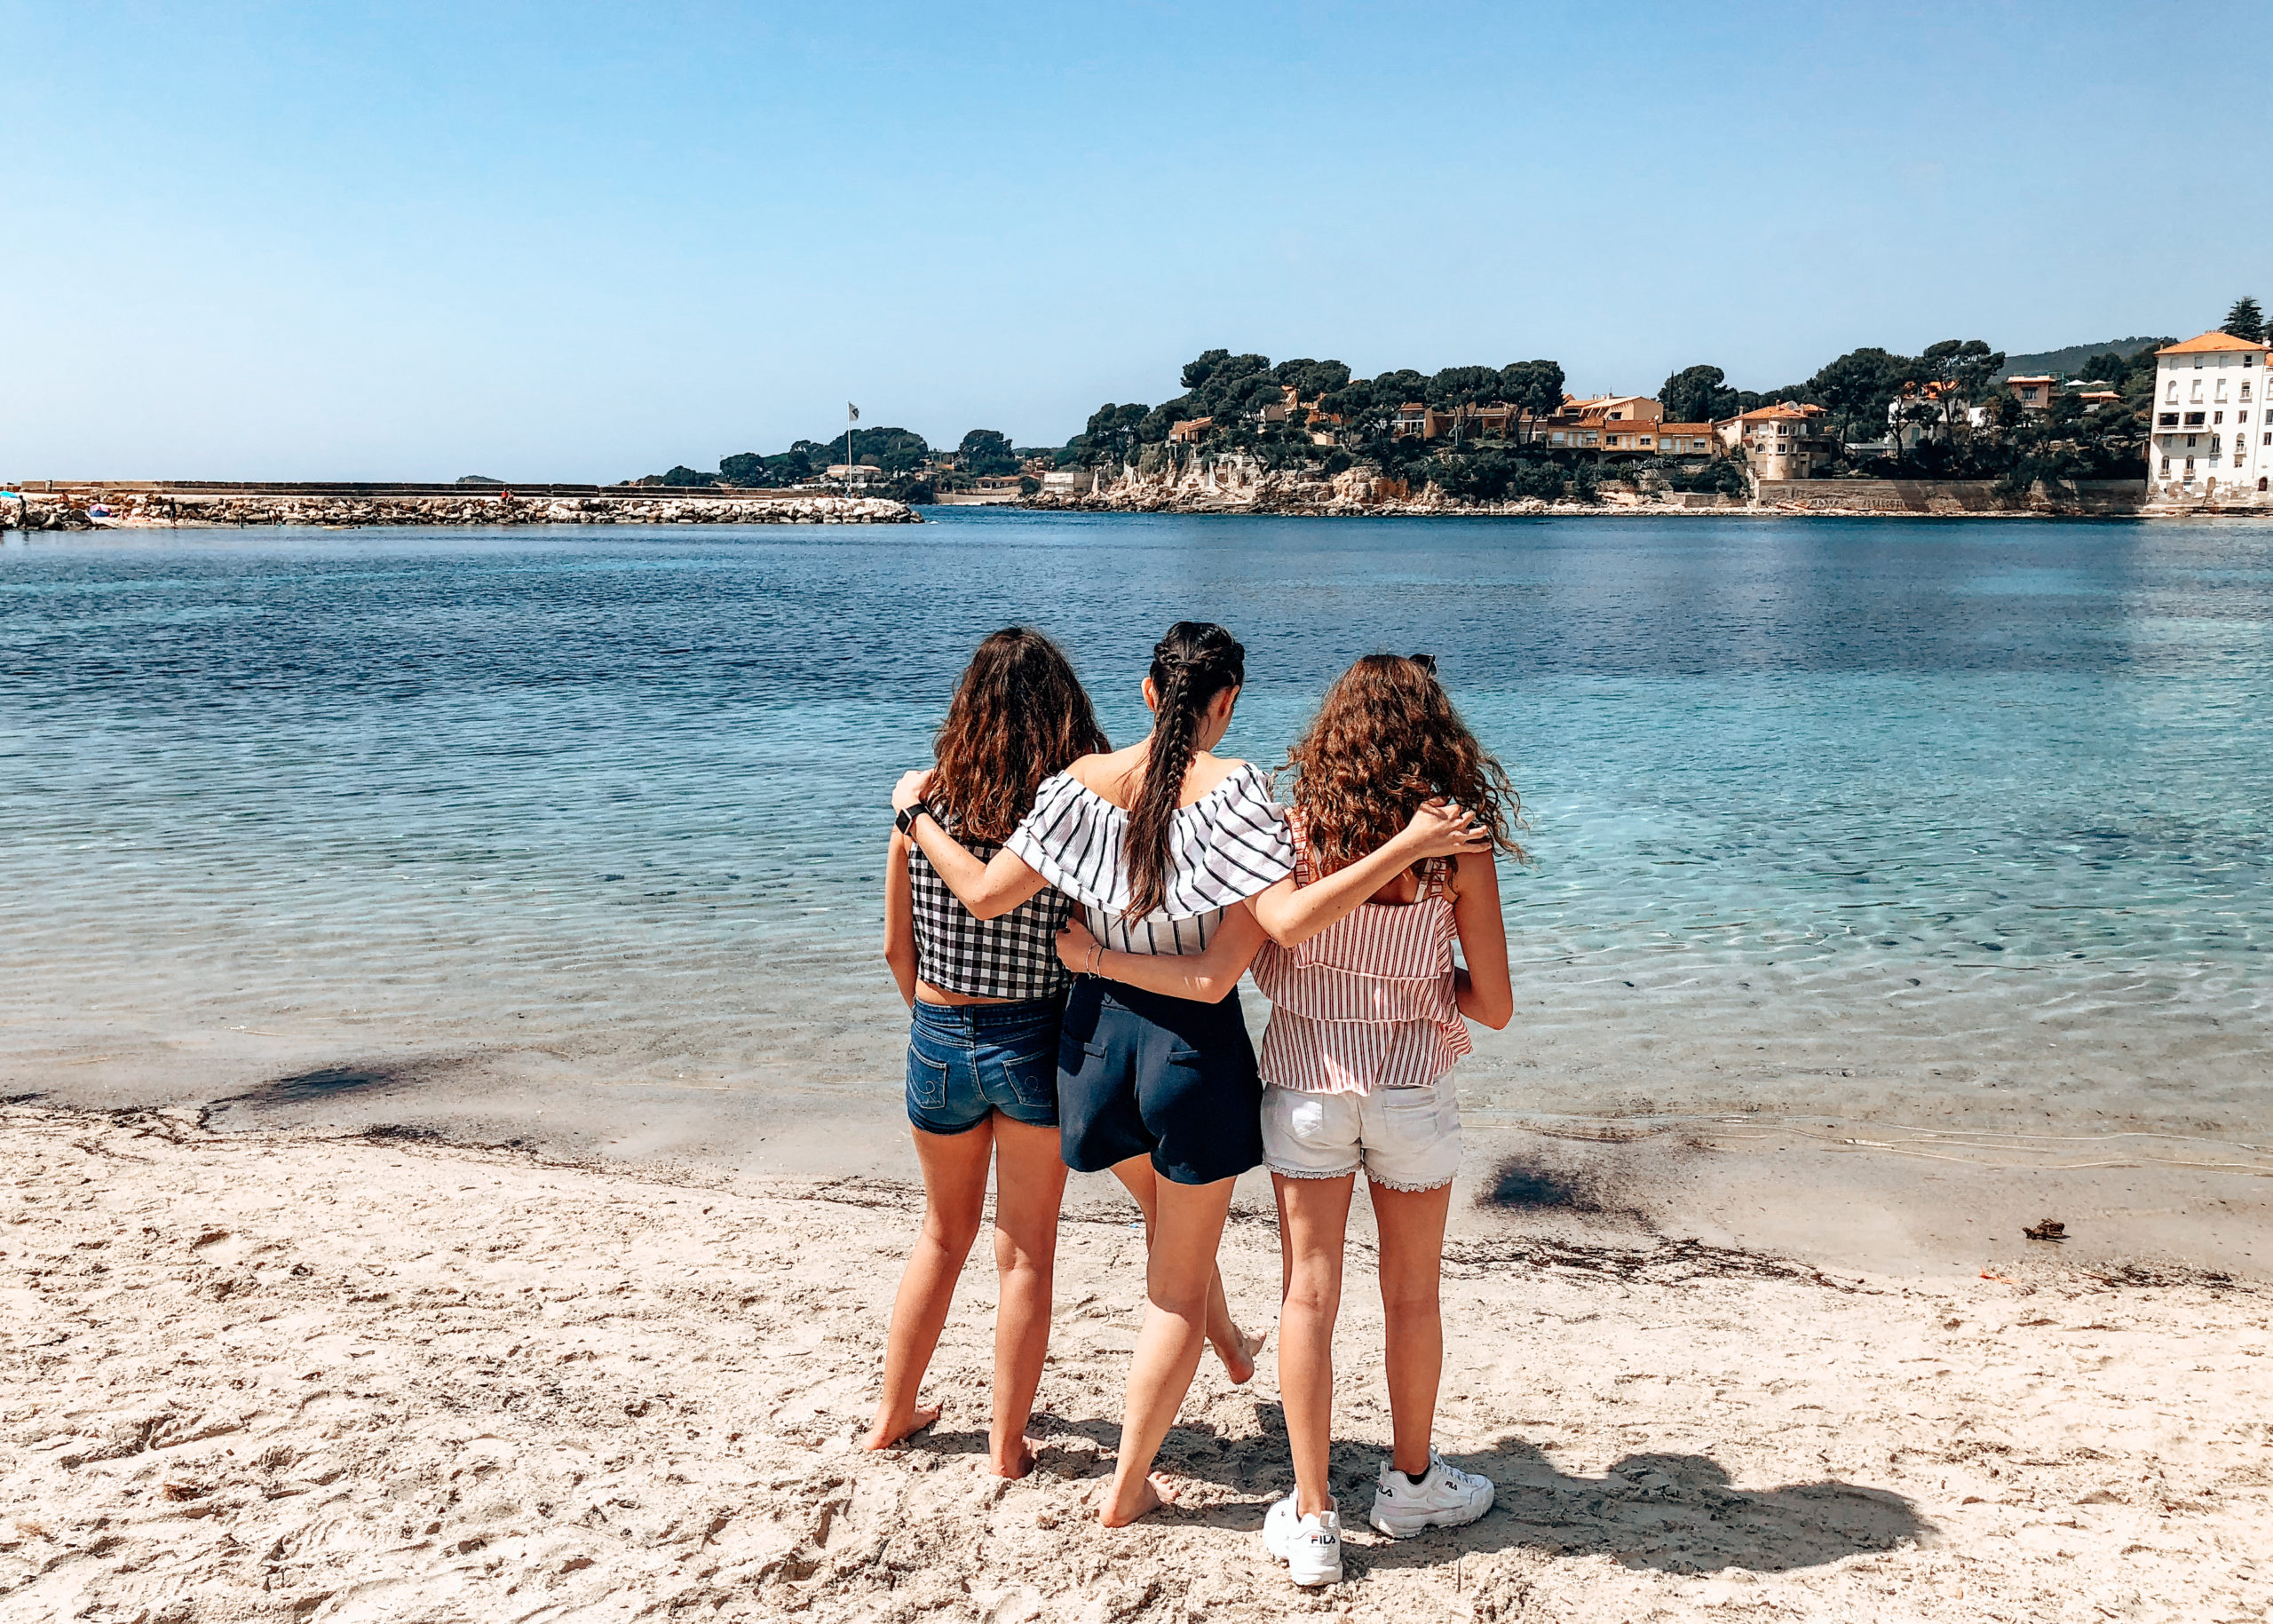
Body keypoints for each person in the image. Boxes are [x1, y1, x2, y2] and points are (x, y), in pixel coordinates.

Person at [894, 623, 1493, 1527]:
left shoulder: (1075, 783)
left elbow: (983, 895)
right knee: (1174, 1285)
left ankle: (1230, 1379)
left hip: (1092, 1053)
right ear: (1227, 701)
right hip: (1188, 1052)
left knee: (1129, 1241)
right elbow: (1229, 966)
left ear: (1146, 691)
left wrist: (917, 819)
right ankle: (1129, 1482)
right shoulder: (1240, 790)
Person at [1055, 654, 1518, 1585]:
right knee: (1412, 1295)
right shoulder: (1454, 846)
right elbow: (1496, 1006)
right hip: (1412, 1086)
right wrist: (1425, 984)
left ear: (1333, 734)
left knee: (1307, 1294)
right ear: (1439, 735)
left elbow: (1269, 944)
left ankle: (1312, 1516)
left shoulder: (1292, 831)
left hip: (1306, 1084)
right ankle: (1411, 1484)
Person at [861, 629, 1107, 1478]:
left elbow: (896, 949)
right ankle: (1006, 1446)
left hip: (936, 1033)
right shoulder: (1059, 821)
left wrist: (938, 1025)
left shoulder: (920, 810)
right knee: (1026, 1251)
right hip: (1033, 1038)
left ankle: (893, 1412)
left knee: (941, 1234)